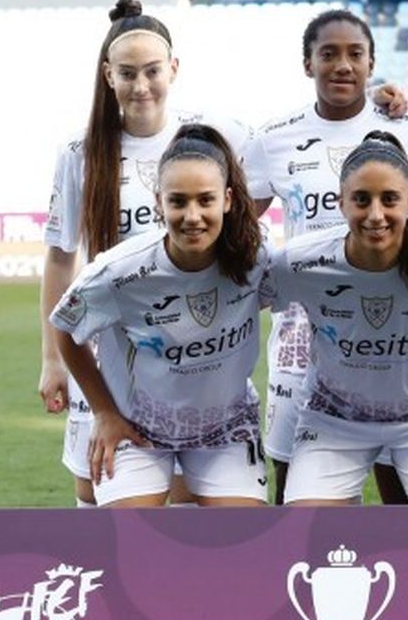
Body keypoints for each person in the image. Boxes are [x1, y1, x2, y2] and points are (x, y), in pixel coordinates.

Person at [39, 0, 250, 506]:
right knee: (99, 497)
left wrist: (382, 107)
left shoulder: (213, 136)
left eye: (152, 71)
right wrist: (52, 359)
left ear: (173, 69)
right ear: (107, 75)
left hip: (188, 350)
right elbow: (60, 258)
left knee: (181, 506)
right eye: (127, 73)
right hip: (107, 350)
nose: (141, 85)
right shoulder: (82, 152)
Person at [244, 8, 408, 503]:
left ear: (372, 63)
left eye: (355, 54)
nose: (342, 65)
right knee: (297, 487)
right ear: (307, 64)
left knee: (403, 493)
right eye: (328, 54)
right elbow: (237, 226)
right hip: (305, 332)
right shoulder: (273, 139)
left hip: (397, 334)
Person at [265, 133, 408, 506]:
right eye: (361, 200)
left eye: (389, 199)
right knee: (308, 535)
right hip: (334, 420)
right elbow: (238, 297)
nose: (376, 215)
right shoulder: (299, 262)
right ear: (341, 202)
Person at [49, 124, 269, 507]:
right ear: (158, 202)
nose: (193, 215)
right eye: (178, 201)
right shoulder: (120, 272)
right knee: (133, 547)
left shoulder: (255, 260)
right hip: (137, 430)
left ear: (228, 199)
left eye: (206, 200)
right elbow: (66, 328)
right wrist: (104, 412)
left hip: (225, 429)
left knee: (240, 545)